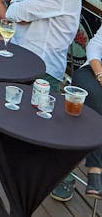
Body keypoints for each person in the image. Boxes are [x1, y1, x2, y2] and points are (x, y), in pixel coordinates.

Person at [52, 29, 102, 202]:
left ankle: (69, 174)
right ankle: (95, 170)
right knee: (91, 98)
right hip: (93, 71)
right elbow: (95, 45)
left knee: (92, 108)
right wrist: (100, 73)